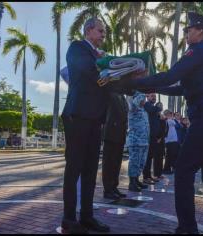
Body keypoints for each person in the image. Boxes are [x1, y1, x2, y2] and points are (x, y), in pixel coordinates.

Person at [124, 12, 203, 234]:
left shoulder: (197, 51)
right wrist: (150, 87)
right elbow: (181, 88)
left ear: (199, 31)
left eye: (188, 29)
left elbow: (170, 76)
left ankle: (187, 228)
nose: (186, 33)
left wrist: (136, 83)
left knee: (183, 171)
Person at [61, 18, 111, 234]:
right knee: (74, 169)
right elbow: (87, 72)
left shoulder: (96, 56)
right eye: (100, 31)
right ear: (89, 30)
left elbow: (102, 81)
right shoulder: (78, 48)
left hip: (94, 118)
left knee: (90, 169)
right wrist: (106, 67)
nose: (103, 35)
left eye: (104, 32)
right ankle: (69, 219)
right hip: (78, 115)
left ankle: (87, 216)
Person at [102, 92, 129, 200]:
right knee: (109, 163)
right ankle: (107, 190)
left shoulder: (122, 96)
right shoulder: (110, 93)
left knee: (117, 163)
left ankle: (114, 187)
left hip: (120, 133)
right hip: (111, 132)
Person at [126, 89, 150, 192]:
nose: (144, 100)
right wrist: (142, 92)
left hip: (144, 141)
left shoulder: (144, 110)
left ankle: (136, 179)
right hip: (135, 140)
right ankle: (132, 183)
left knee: (141, 162)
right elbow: (135, 101)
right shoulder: (133, 107)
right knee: (134, 162)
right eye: (143, 98)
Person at [142, 93, 163, 184]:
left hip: (154, 136)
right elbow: (151, 110)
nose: (154, 97)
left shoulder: (154, 108)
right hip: (148, 135)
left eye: (154, 96)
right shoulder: (147, 105)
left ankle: (149, 175)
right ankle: (145, 177)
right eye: (152, 96)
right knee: (147, 157)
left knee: (150, 157)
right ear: (147, 97)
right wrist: (159, 108)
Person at [163, 109, 180, 174]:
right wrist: (170, 117)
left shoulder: (169, 120)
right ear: (167, 114)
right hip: (170, 141)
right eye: (170, 114)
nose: (171, 115)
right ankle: (166, 169)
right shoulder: (169, 120)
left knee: (171, 155)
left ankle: (168, 168)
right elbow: (174, 123)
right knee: (169, 156)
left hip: (172, 140)